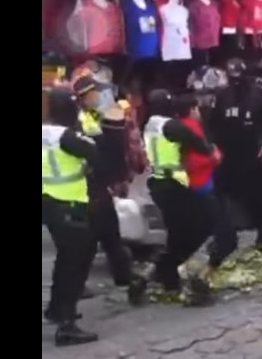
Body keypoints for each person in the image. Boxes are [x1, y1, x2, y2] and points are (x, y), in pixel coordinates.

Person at [130, 90, 236, 306]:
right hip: (175, 187)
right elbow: (196, 142)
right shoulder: (171, 126)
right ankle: (196, 282)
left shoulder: (150, 124)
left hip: (161, 185)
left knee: (178, 237)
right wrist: (211, 151)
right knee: (201, 230)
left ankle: (153, 277)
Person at [42, 87, 99, 346]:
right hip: (68, 203)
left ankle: (56, 309)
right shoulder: (66, 136)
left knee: (67, 258)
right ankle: (66, 325)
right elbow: (94, 151)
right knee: (72, 264)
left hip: (49, 200)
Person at [73, 76, 135, 290]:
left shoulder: (92, 115)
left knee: (110, 235)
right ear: (85, 97)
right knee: (94, 239)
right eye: (95, 93)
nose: (99, 96)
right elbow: (101, 152)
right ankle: (77, 285)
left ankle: (124, 277)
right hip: (91, 186)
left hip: (98, 186)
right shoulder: (83, 122)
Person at [211, 58, 262, 248]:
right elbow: (214, 123)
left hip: (253, 150)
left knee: (258, 193)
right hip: (229, 152)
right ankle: (227, 234)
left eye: (238, 78)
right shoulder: (222, 96)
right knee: (224, 192)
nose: (236, 82)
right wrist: (215, 146)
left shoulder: (260, 95)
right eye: (232, 79)